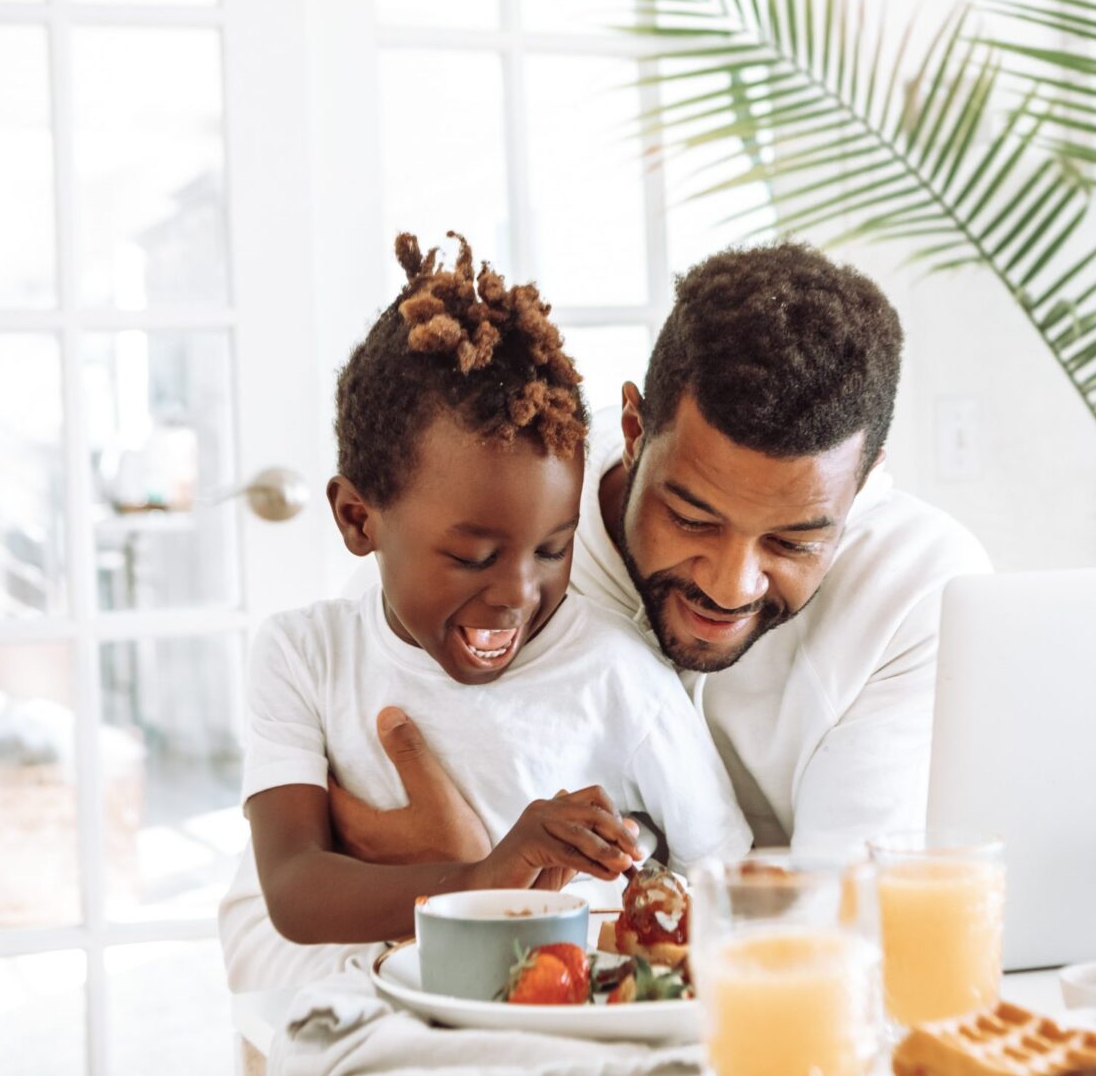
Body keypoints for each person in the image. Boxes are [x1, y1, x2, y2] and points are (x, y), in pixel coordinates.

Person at [329, 242, 992, 859]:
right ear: (633, 427)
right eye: (692, 519)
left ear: (865, 478)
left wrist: (479, 880)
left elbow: (849, 924)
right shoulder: (502, 541)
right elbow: (274, 920)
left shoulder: (920, 588)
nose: (731, 587)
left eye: (793, 541)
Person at [218, 234, 749, 992]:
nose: (515, 595)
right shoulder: (305, 655)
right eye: (472, 556)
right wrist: (490, 874)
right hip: (378, 1004)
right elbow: (296, 891)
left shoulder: (613, 670)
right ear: (357, 520)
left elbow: (722, 865)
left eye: (551, 550)